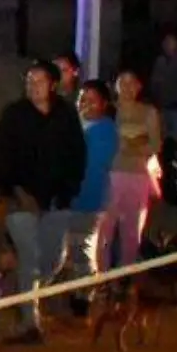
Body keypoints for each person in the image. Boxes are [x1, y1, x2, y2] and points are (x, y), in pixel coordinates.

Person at [0, 60, 86, 343]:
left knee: (53, 260)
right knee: (29, 257)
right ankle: (30, 323)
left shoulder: (66, 114)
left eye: (39, 80)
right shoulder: (14, 115)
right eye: (29, 80)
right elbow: (0, 158)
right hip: (20, 200)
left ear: (53, 84)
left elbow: (77, 155)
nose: (33, 86)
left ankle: (18, 292)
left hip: (57, 199)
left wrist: (68, 190)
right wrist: (11, 189)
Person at [100, 69, 162, 274]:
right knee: (104, 230)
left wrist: (131, 146)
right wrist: (132, 142)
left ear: (139, 86)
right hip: (109, 175)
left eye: (131, 83)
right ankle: (101, 277)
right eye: (122, 83)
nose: (127, 88)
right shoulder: (107, 110)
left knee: (132, 232)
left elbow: (155, 144)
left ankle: (125, 276)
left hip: (137, 175)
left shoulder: (148, 112)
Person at [66, 80, 119, 312]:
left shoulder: (105, 130)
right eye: (82, 99)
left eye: (92, 100)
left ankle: (85, 297)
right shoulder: (77, 124)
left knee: (82, 249)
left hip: (89, 197)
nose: (85, 104)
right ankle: (80, 292)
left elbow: (93, 165)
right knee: (73, 248)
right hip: (71, 197)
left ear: (104, 104)